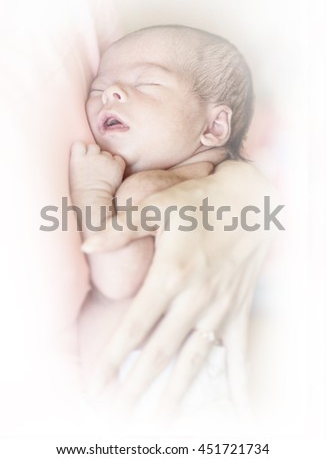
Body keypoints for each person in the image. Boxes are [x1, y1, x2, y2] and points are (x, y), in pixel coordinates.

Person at [70, 25, 270, 420]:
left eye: (146, 82)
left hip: (143, 392)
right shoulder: (210, 188)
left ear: (213, 127)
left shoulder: (149, 189)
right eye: (97, 88)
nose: (111, 92)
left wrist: (90, 193)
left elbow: (118, 275)